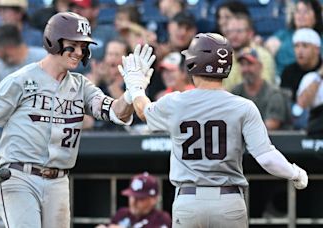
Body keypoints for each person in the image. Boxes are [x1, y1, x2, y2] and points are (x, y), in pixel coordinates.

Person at [0, 12, 153, 228]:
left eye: (83, 47)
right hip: (19, 175)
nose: (79, 52)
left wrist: (133, 92)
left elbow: (116, 112)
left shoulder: (81, 85)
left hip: (58, 180)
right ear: (53, 41)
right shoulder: (21, 79)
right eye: (73, 46)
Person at [119, 34, 308, 228]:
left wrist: (136, 88)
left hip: (188, 201)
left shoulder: (176, 102)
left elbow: (143, 112)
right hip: (228, 202)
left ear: (192, 64)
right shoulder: (243, 106)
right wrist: (295, 173)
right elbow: (267, 158)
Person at [232, 47, 291, 130]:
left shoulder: (273, 94)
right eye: (242, 65)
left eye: (250, 64)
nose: (246, 69)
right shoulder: (236, 92)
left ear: (260, 66)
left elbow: (271, 126)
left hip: (272, 141)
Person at [96, 172, 172, 228]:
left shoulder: (162, 218)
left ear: (154, 199)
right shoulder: (122, 213)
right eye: (132, 196)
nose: (134, 202)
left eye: (140, 198)